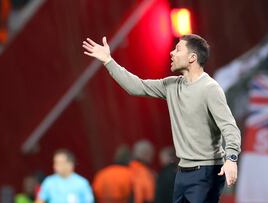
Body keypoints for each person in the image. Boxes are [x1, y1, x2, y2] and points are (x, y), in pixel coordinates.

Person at [82, 34, 241, 203]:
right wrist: (108, 61)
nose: (172, 53)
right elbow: (136, 87)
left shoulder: (210, 89)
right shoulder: (171, 84)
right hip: (182, 172)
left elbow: (229, 127)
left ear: (192, 57)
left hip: (207, 171)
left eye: (178, 49)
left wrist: (231, 159)